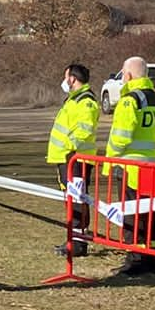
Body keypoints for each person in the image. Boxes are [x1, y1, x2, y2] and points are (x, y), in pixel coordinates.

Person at [105, 56, 155, 277]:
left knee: (132, 215)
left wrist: (110, 159)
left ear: (127, 75)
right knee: (150, 215)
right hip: (154, 165)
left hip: (131, 167)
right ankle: (152, 261)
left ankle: (134, 260)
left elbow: (121, 137)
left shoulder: (130, 100)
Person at [46, 63, 102, 256]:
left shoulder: (85, 101)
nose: (64, 81)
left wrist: (70, 149)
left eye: (66, 77)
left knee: (78, 200)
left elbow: (83, 130)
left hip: (76, 159)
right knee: (71, 200)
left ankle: (78, 243)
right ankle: (74, 238)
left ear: (72, 78)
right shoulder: (73, 100)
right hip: (66, 158)